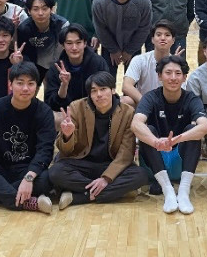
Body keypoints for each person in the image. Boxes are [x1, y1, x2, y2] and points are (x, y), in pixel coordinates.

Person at [48, 72, 149, 209]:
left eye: (103, 89)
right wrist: (67, 135)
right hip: (81, 163)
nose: (99, 94)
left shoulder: (127, 112)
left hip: (110, 163)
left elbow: (126, 153)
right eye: (94, 91)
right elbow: (65, 150)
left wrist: (106, 178)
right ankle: (117, 192)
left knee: (140, 175)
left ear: (113, 90)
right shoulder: (76, 108)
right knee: (55, 172)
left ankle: (80, 196)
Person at [0, 62, 55, 213]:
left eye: (30, 83)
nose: (25, 88)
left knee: (49, 178)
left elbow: (45, 150)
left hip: (27, 169)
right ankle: (25, 202)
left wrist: (28, 178)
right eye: (20, 83)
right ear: (10, 84)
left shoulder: (44, 111)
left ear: (36, 86)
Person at [131, 56, 207, 214]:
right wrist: (156, 142)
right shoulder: (150, 97)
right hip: (155, 161)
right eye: (168, 73)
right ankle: (168, 191)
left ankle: (184, 192)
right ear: (159, 76)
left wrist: (177, 139)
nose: (173, 77)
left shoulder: (191, 99)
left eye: (178, 73)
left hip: (180, 160)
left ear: (184, 77)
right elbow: (136, 124)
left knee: (192, 130)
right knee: (148, 130)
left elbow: (204, 127)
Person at [92, 0, 152, 77]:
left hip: (134, 46)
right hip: (108, 46)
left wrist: (130, 51)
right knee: (106, 80)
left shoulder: (143, 2)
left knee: (133, 81)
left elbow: (144, 29)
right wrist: (113, 50)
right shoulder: (100, 1)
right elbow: (100, 28)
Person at [44, 24, 109, 114]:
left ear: (85, 43)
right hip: (67, 113)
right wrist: (64, 85)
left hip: (94, 110)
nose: (74, 48)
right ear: (63, 45)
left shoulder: (98, 63)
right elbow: (51, 104)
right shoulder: (55, 68)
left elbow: (107, 91)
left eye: (78, 42)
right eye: (69, 43)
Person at [122, 20, 182, 108]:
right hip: (143, 103)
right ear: (152, 39)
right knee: (124, 101)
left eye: (167, 35)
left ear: (173, 40)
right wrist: (146, 103)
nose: (163, 38)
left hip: (168, 106)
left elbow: (182, 91)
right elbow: (126, 86)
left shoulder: (177, 63)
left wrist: (174, 67)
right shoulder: (140, 60)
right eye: (158, 35)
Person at [16, 0, 69, 82]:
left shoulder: (62, 25)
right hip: (35, 66)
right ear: (29, 11)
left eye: (44, 8)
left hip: (60, 65)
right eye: (35, 9)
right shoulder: (23, 29)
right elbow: (25, 55)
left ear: (51, 9)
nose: (40, 13)